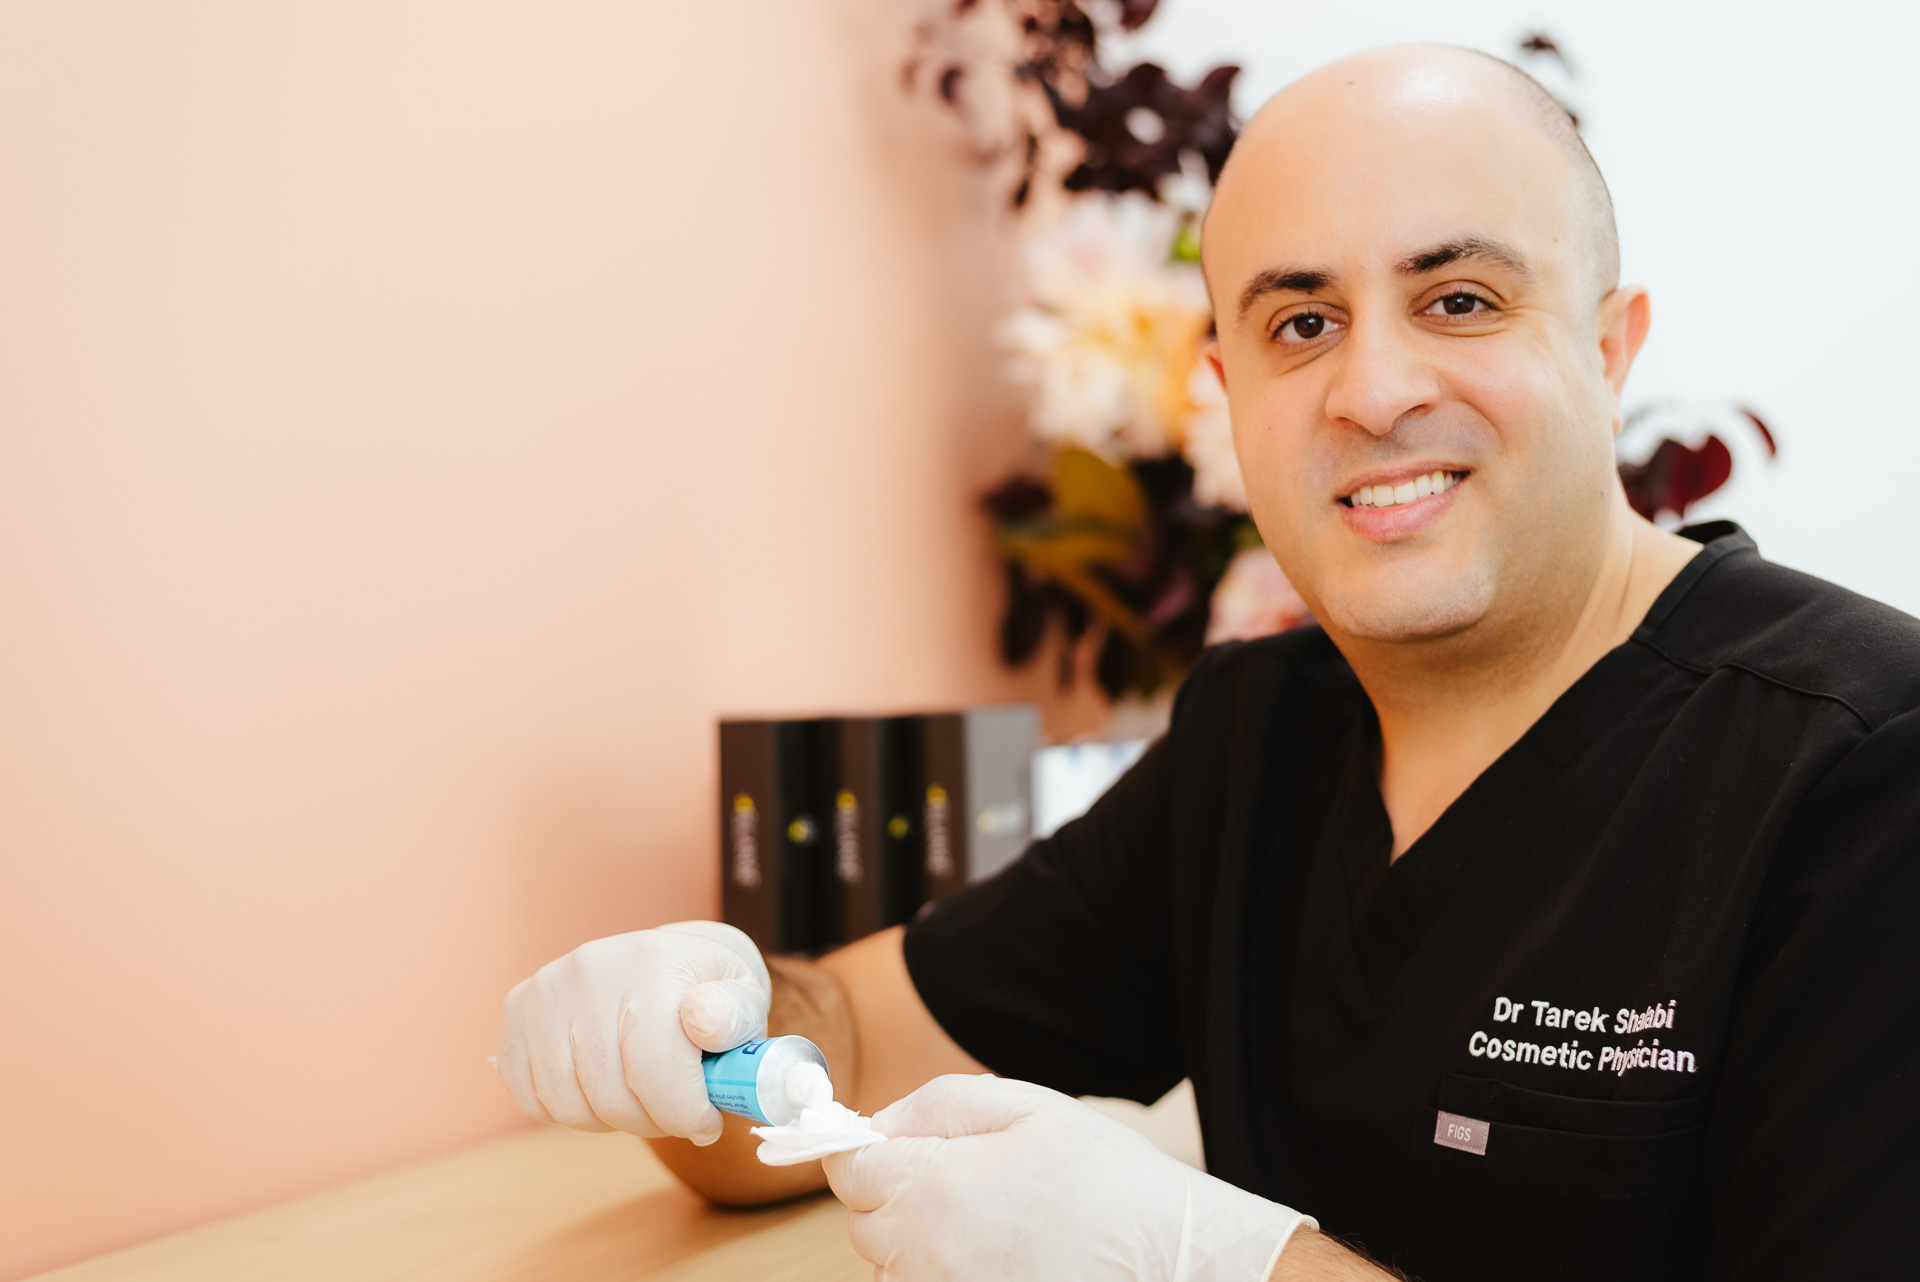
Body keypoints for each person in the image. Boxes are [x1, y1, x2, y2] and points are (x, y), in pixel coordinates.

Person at [495, 44, 1920, 1281]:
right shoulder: (1259, 744)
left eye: (1462, 300)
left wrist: (1222, 1260)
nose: (1372, 389)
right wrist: (710, 1031)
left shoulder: (1863, 771)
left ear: (1610, 350)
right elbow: (837, 1074)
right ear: (1231, 395)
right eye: (1302, 324)